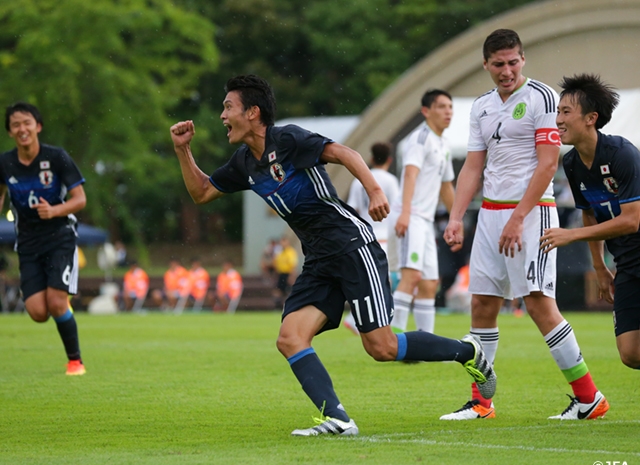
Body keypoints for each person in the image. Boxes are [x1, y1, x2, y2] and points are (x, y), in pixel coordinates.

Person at [170, 74, 496, 436]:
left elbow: (345, 153)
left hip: (352, 246)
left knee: (382, 347)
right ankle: (339, 419)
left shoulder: (289, 139)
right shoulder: (244, 163)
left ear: (253, 112)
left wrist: (374, 190)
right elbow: (201, 192)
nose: (222, 115)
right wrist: (183, 150)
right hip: (319, 260)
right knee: (290, 338)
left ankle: (468, 352)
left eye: (228, 107)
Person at [443, 29, 607, 421]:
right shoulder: (481, 106)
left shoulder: (543, 97)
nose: (506, 70)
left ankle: (589, 398)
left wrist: (518, 218)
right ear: (486, 65)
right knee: (481, 303)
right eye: (498, 64)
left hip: (532, 214)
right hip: (490, 216)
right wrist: (455, 217)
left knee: (538, 304)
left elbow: (548, 163)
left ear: (523, 59)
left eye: (513, 61)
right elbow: (473, 166)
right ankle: (481, 403)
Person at [540, 73, 640, 370]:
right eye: (558, 111)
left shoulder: (622, 153)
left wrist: (571, 235)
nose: (558, 119)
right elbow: (588, 211)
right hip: (627, 264)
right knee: (631, 353)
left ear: (590, 118)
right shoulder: (571, 162)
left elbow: (632, 221)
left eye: (566, 112)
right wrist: (600, 268)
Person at [0, 102, 87, 375]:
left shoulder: (57, 157)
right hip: (27, 242)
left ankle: (75, 362)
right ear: (10, 132)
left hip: (60, 236)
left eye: (27, 122)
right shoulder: (4, 163)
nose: (22, 129)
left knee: (56, 303)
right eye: (16, 125)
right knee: (38, 312)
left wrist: (54, 211)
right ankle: (59, 301)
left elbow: (80, 199)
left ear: (37, 126)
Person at [389, 89, 455, 335]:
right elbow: (410, 174)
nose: (448, 111)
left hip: (425, 221)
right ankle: (394, 340)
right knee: (411, 277)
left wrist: (455, 220)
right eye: (441, 106)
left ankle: (425, 341)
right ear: (426, 111)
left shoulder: (444, 144)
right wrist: (406, 212)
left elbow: (446, 186)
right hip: (411, 215)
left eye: (450, 107)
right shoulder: (419, 139)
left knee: (429, 284)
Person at [344, 142, 399, 334]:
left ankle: (359, 319)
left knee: (369, 281)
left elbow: (353, 210)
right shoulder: (391, 181)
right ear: (389, 160)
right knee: (386, 283)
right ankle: (372, 322)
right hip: (384, 238)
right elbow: (396, 211)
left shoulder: (359, 180)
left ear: (371, 159)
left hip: (365, 237)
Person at [272, 236, 298, 309]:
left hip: (287, 274)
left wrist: (291, 276)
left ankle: (289, 306)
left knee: (288, 290)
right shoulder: (279, 252)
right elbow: (276, 262)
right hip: (281, 273)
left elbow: (293, 264)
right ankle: (278, 306)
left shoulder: (290, 252)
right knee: (279, 290)